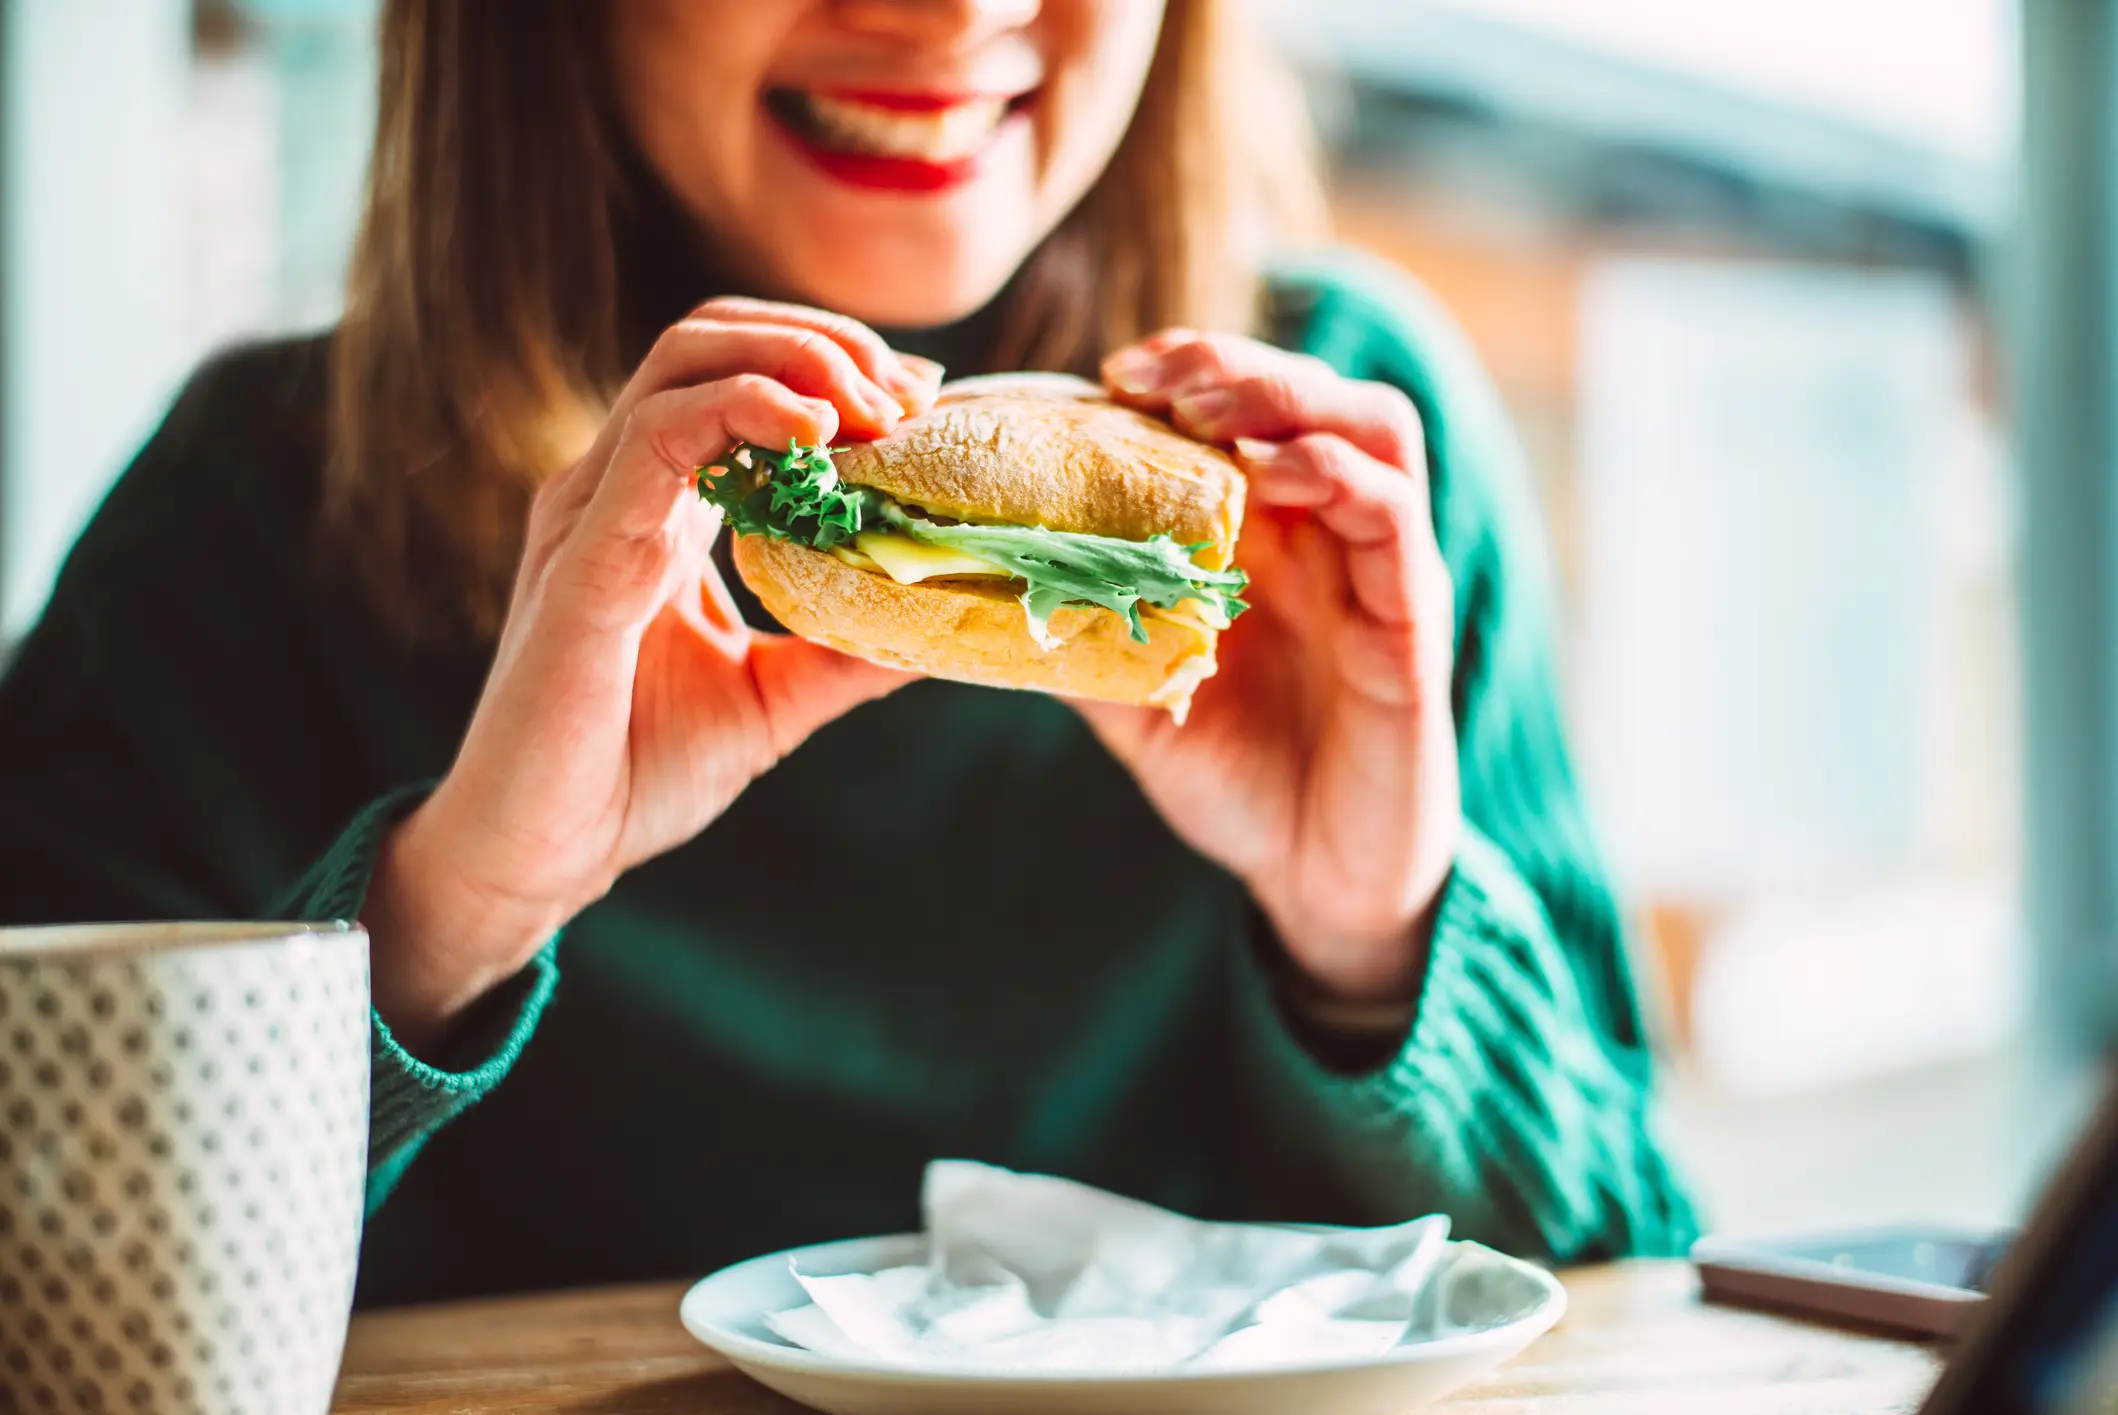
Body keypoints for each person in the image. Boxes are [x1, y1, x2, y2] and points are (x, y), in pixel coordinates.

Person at [0, 0, 1696, 1305]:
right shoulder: (256, 507)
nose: (950, 10)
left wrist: (1374, 946)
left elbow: (1632, 1281)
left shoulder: (1343, 476)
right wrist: (448, 906)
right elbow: (47, 1283)